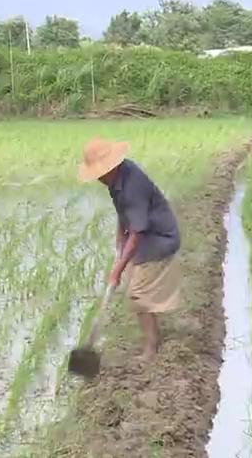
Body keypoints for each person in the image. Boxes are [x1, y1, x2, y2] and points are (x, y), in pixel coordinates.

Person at [78, 137, 181, 363]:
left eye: (99, 174)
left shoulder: (131, 186)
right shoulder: (118, 178)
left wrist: (117, 269)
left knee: (139, 295)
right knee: (139, 291)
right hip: (148, 235)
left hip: (158, 239)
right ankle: (153, 338)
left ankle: (150, 349)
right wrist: (118, 237)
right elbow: (123, 212)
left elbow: (136, 234)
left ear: (109, 168)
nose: (97, 179)